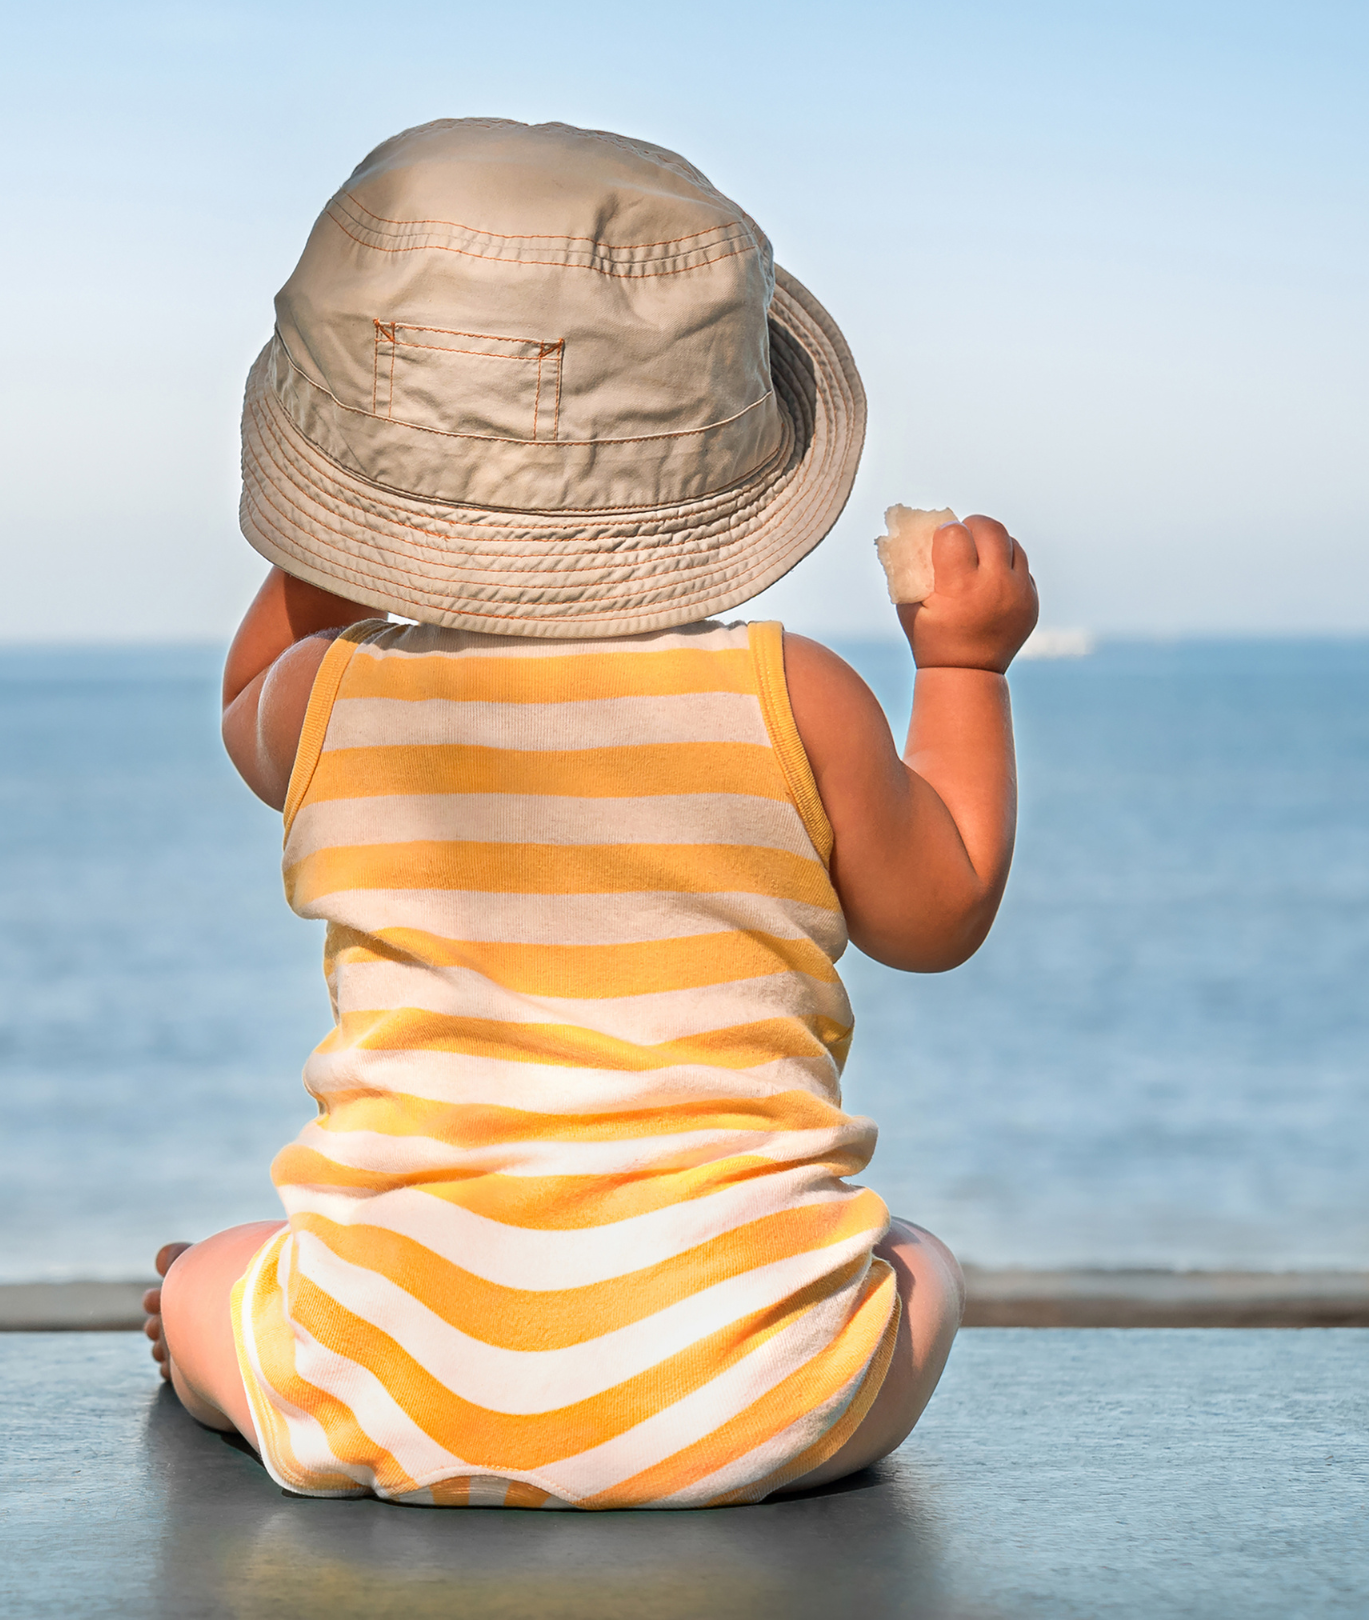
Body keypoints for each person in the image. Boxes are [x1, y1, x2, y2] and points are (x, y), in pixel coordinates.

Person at [140, 118, 1037, 1508]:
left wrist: (339, 542)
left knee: (216, 1273)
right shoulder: (792, 697)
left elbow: (243, 695)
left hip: (388, 1393)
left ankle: (220, 1355)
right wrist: (963, 667)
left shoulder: (326, 702)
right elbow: (941, 909)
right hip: (751, 1402)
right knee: (919, 1264)